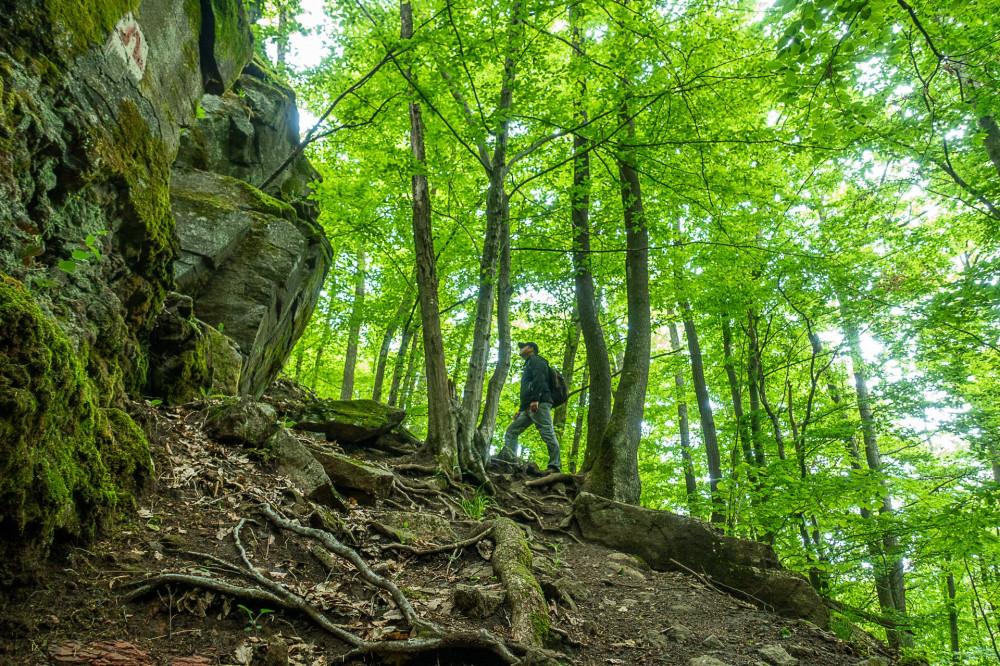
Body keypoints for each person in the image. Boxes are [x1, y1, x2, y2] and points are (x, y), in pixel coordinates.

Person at [498, 341, 561, 473]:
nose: (521, 349)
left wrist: (536, 399)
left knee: (547, 432)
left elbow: (540, 379)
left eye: (523, 347)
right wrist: (521, 409)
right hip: (528, 408)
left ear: (531, 349)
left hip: (540, 404)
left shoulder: (536, 360)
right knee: (511, 431)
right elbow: (527, 389)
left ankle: (555, 466)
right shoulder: (527, 364)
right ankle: (511, 462)